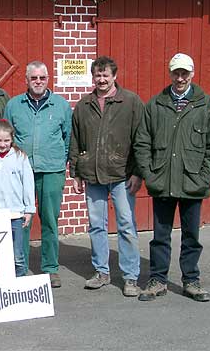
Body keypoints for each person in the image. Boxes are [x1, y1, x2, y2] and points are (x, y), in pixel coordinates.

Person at [134, 53, 210, 302]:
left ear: (192, 74)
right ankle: (158, 280)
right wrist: (150, 175)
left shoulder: (206, 105)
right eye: (176, 73)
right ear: (170, 74)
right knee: (159, 237)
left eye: (185, 73)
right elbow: (142, 143)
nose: (180, 77)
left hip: (192, 183)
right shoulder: (156, 105)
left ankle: (191, 281)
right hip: (162, 182)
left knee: (191, 236)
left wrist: (205, 178)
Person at [68, 56, 144, 297]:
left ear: (114, 76)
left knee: (126, 225)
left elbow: (141, 138)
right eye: (97, 76)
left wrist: (138, 172)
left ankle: (130, 276)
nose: (101, 80)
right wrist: (76, 173)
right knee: (96, 226)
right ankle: (101, 272)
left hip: (122, 174)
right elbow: (75, 140)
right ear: (93, 77)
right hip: (93, 175)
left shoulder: (130, 102)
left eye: (105, 75)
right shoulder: (84, 105)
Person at [4, 61, 72, 288]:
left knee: (50, 220)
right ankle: (18, 267)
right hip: (21, 172)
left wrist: (58, 161)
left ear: (48, 79)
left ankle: (50, 268)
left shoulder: (60, 105)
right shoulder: (14, 105)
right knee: (20, 220)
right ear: (26, 80)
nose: (38, 82)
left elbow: (68, 138)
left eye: (42, 78)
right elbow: (6, 137)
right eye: (34, 78)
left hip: (51, 170)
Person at [0, 120, 35, 277]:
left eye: (6, 141)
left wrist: (29, 209)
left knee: (17, 255)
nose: (2, 144)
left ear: (12, 140)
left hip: (16, 213)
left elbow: (28, 184)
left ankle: (20, 283)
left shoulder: (20, 157)